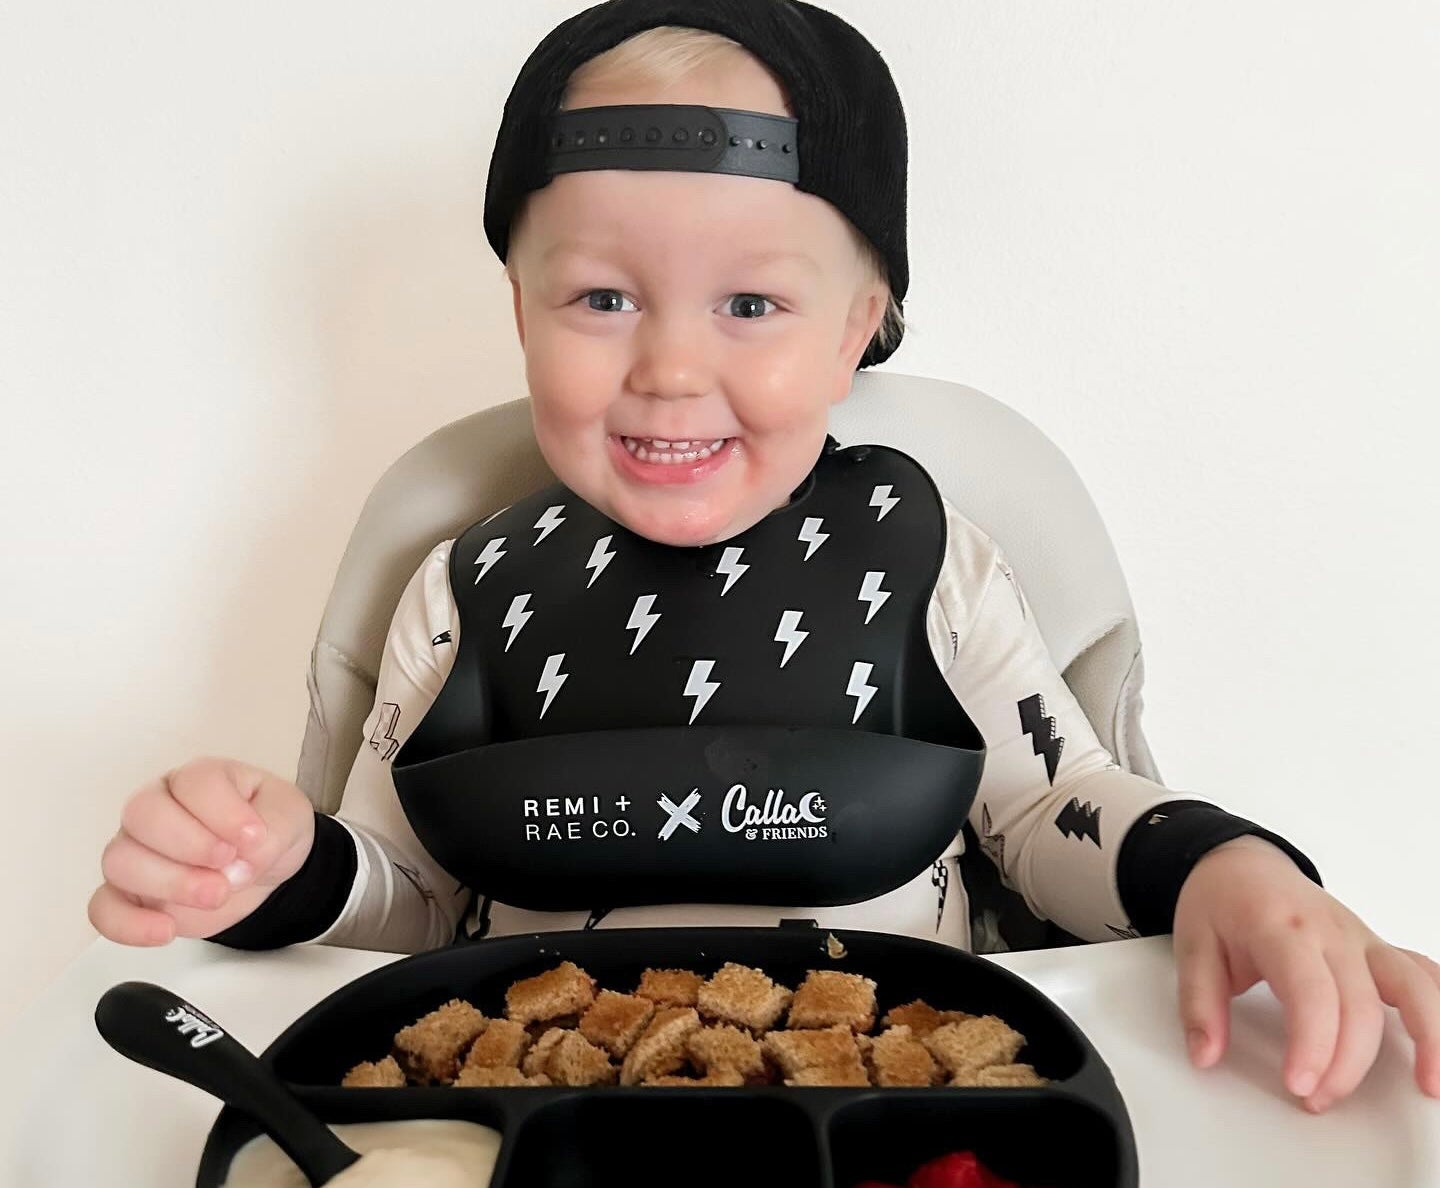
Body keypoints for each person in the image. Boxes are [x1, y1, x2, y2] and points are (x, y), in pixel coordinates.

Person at [87, 0, 1439, 1116]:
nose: (672, 367)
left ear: (859, 325)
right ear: (519, 308)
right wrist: (278, 874)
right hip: (521, 1127)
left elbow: (1051, 815)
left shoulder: (928, 562)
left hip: (898, 1117)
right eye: (601, 297)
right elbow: (411, 900)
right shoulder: (462, 594)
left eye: (751, 302)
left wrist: (1223, 870)